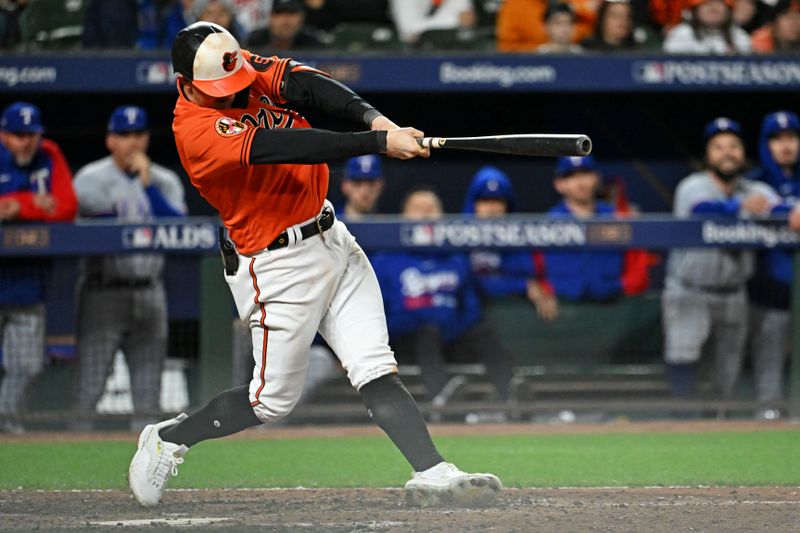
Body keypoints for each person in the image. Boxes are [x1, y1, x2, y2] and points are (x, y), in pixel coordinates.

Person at [127, 21, 501, 509]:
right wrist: (378, 145)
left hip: (332, 238)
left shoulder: (236, 67)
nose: (235, 90)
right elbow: (292, 146)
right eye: (220, 90)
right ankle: (171, 437)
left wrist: (375, 121)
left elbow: (305, 84)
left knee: (374, 366)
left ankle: (431, 470)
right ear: (184, 84)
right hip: (276, 265)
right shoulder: (196, 132)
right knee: (270, 401)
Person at [662, 117, 799, 403]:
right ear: (707, 155)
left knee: (726, 373)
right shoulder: (692, 185)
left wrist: (793, 211)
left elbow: (781, 207)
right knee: (684, 355)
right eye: (719, 146)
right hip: (690, 289)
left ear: (743, 153)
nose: (727, 152)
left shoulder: (754, 190)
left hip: (734, 293)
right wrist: (738, 206)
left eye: (734, 146)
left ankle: (717, 428)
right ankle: (680, 425)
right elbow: (703, 209)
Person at [71, 105, 187, 432]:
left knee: (149, 396)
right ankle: (73, 459)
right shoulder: (90, 178)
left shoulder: (163, 181)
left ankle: (145, 466)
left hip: (151, 291)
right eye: (123, 135)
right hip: (103, 292)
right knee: (89, 388)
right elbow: (105, 227)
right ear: (110, 140)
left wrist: (148, 186)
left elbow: (180, 228)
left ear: (147, 138)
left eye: (138, 134)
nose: (132, 142)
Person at [371, 186, 515, 419]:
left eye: (432, 209)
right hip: (407, 341)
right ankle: (441, 399)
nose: (426, 214)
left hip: (449, 338)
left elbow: (470, 311)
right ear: (403, 216)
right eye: (418, 209)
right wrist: (419, 322)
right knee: (427, 333)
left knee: (483, 331)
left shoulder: (456, 258)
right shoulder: (385, 259)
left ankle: (511, 394)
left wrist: (446, 327)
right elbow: (377, 315)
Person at [0, 101, 77, 433]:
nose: (26, 142)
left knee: (28, 365)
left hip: (27, 283)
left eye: (31, 134)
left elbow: (67, 207)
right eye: (17, 135)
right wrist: (36, 204)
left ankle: (8, 423)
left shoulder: (49, 153)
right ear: (4, 135)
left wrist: (19, 206)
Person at [527, 156, 650, 321]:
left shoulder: (616, 219)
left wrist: (620, 288)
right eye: (571, 176)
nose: (580, 182)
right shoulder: (548, 224)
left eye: (585, 173)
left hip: (612, 311)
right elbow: (531, 270)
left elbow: (638, 271)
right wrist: (541, 290)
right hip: (562, 312)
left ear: (596, 178)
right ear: (559, 184)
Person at [747, 111, 800, 419]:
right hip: (770, 286)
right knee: (770, 352)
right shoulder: (754, 182)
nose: (785, 146)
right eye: (777, 139)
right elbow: (759, 203)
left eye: (791, 138)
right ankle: (767, 410)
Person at [463, 166, 551, 318]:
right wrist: (520, 285)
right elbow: (466, 283)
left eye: (498, 200)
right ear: (474, 204)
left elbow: (525, 274)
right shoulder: (458, 237)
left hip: (509, 315)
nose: (491, 208)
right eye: (485, 200)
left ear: (507, 205)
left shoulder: (519, 239)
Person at [496, 0, 598, 52]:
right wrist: (541, 49)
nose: (563, 28)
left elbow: (592, 19)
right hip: (533, 66)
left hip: (572, 53)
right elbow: (506, 47)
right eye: (557, 23)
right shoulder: (515, 5)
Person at [663, 0, 752, 54]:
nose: (713, 8)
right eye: (706, 3)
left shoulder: (740, 36)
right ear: (695, 10)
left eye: (719, 2)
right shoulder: (680, 34)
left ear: (729, 10)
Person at [581, 0, 660, 51]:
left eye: (627, 16)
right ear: (602, 19)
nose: (623, 21)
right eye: (616, 16)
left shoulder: (640, 51)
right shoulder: (587, 49)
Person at [247, 0, 325, 51]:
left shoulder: (313, 44)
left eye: (291, 13)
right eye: (279, 13)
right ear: (270, 17)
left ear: (301, 17)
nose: (285, 20)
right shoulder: (254, 41)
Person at [389, 0, 476, 44]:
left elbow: (467, 20)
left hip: (454, 48)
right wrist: (454, 19)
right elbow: (410, 30)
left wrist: (425, 26)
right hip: (414, 54)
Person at [336, 154, 384, 219]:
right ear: (344, 185)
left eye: (371, 183)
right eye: (357, 183)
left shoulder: (390, 222)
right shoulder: (331, 223)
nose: (365, 190)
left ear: (380, 185)